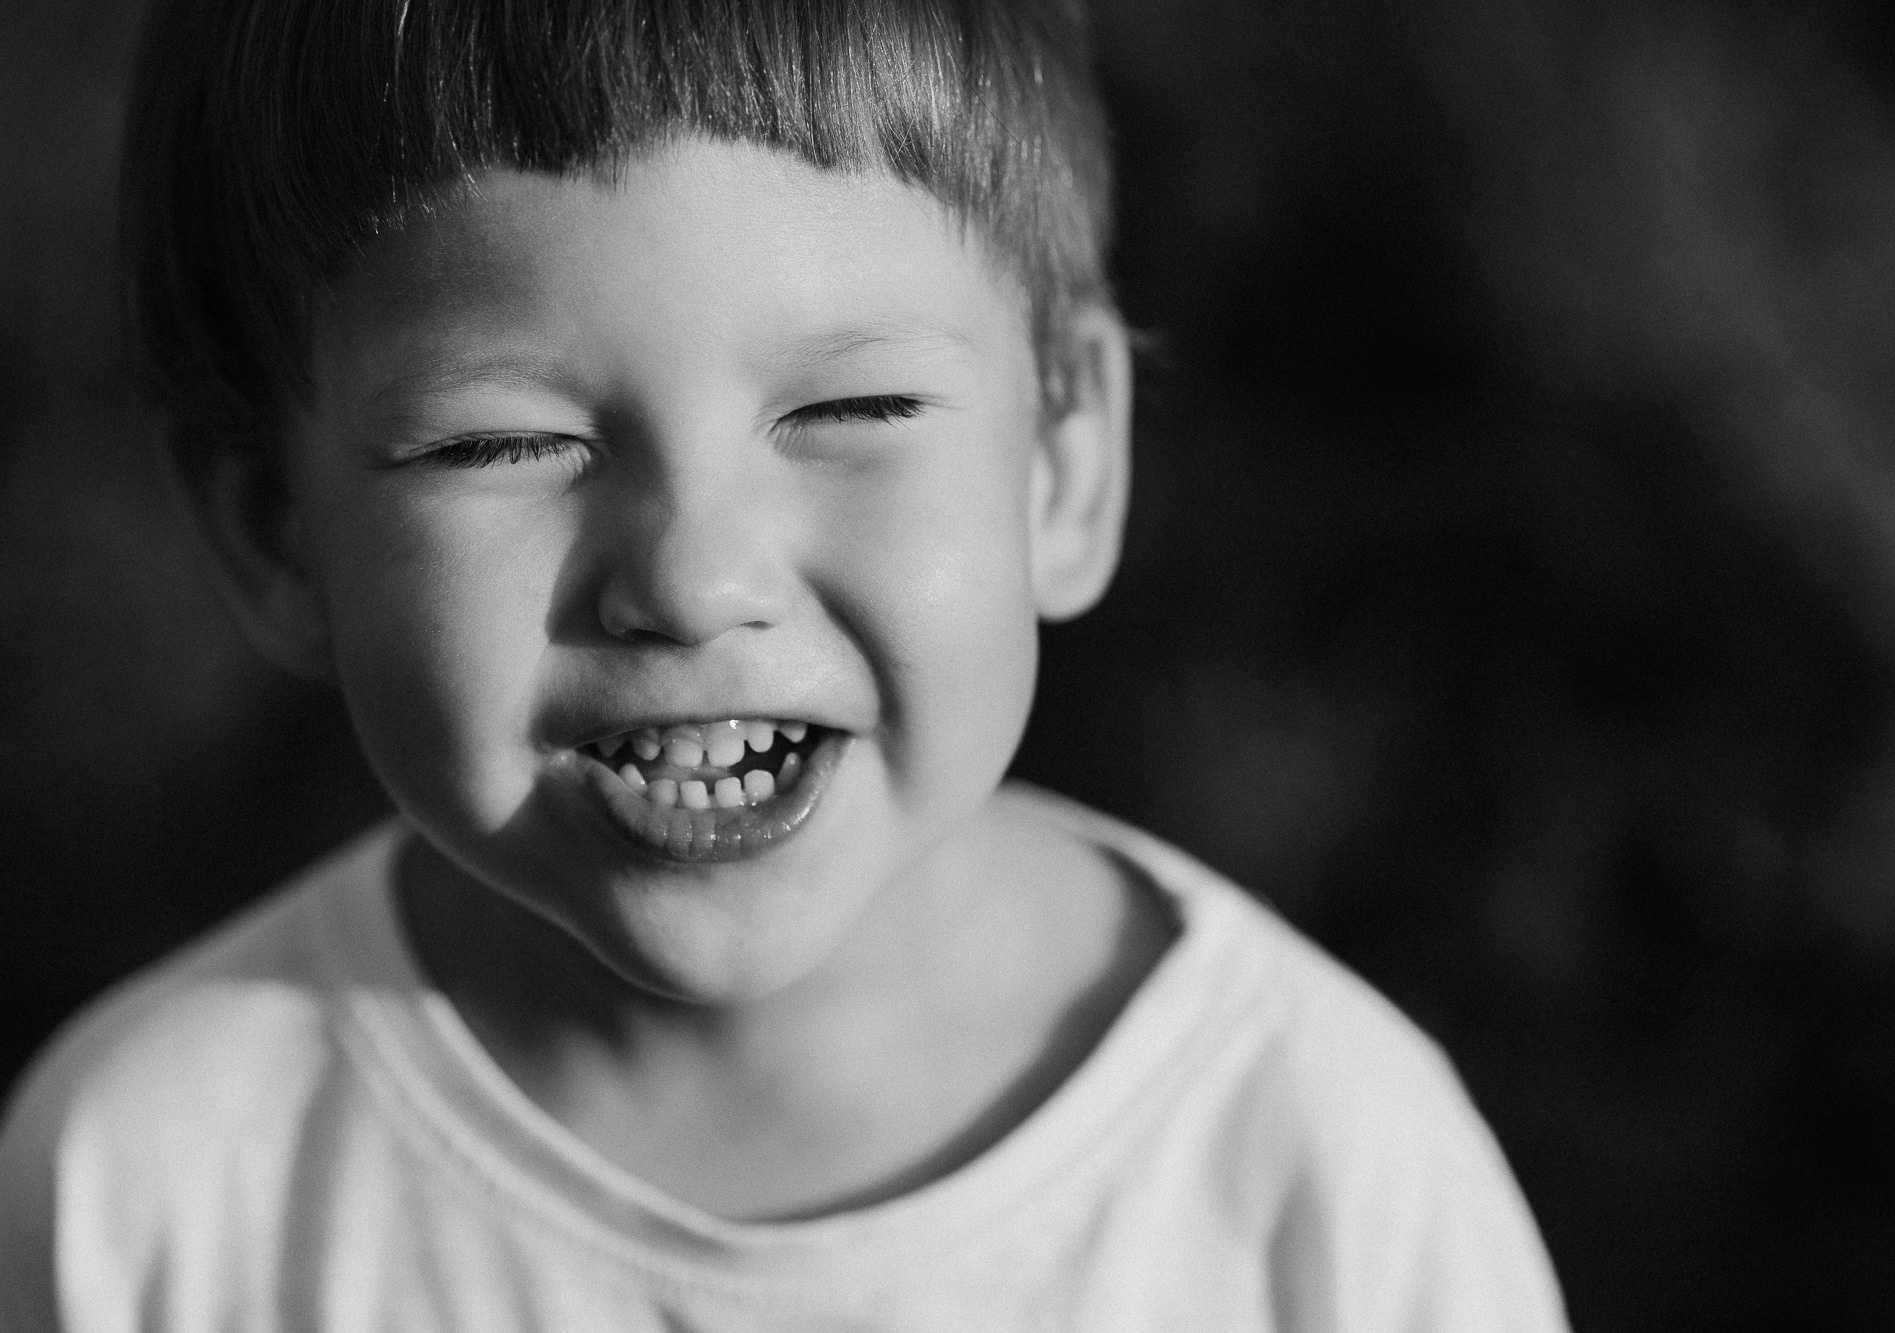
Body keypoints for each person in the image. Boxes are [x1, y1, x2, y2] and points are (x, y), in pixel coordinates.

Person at [0, 0, 1569, 1327]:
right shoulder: (145, 1191)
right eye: (503, 442)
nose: (692, 578)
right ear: (274, 532)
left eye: (850, 411)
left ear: (1064, 458)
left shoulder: (1324, 1178)